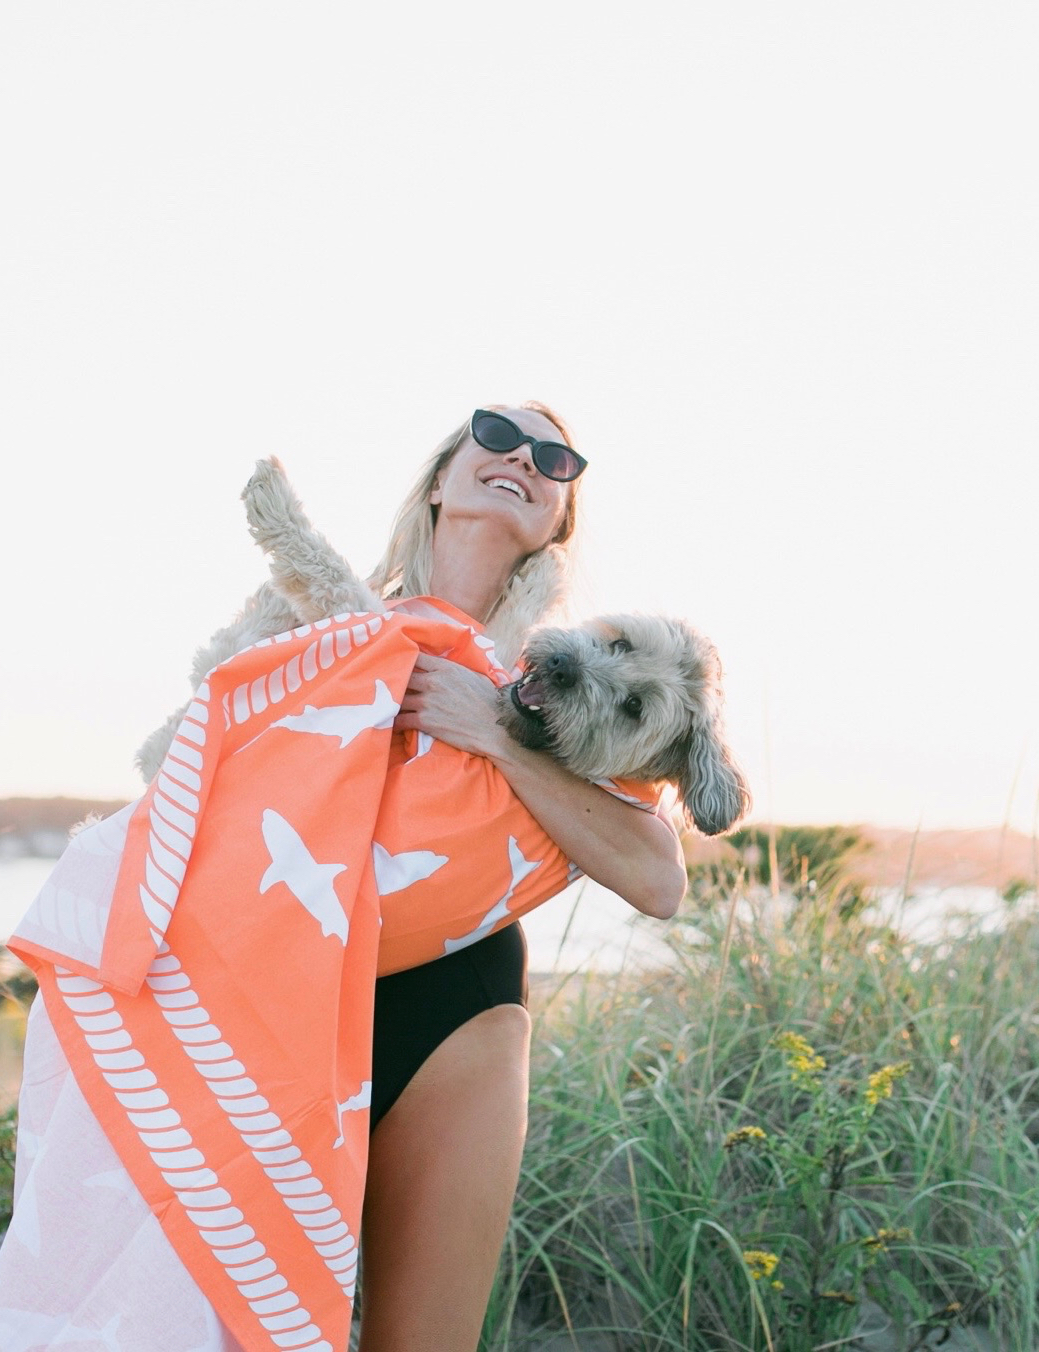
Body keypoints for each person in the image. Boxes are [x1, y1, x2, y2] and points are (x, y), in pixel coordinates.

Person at [355, 402, 688, 1351]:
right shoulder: (327, 621)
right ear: (440, 478)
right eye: (497, 435)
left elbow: (657, 879)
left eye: (555, 459)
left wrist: (492, 729)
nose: (525, 460)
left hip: (455, 1017)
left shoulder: (569, 678)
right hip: (281, 1005)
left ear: (558, 523)